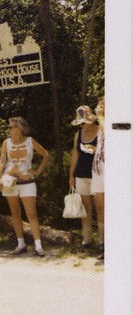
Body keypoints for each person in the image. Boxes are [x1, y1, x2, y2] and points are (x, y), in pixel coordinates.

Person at [0, 117, 50, 257]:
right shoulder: (6, 143)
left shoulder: (30, 141)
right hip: (9, 181)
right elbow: (2, 161)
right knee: (15, 214)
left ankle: (38, 246)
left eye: (11, 127)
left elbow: (46, 155)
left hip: (27, 181)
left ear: (20, 128)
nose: (8, 129)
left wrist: (37, 171)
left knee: (32, 214)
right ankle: (21, 244)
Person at [68, 105, 100, 250]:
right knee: (85, 208)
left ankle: (103, 241)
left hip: (97, 174)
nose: (83, 125)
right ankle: (87, 239)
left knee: (100, 207)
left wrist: (95, 150)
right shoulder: (78, 135)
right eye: (80, 122)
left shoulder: (101, 132)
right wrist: (71, 174)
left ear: (92, 119)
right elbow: (75, 155)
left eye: (84, 121)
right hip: (81, 174)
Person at [92, 97, 105, 261]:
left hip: (111, 169)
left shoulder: (116, 120)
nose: (100, 107)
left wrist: (101, 117)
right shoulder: (101, 125)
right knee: (100, 208)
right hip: (98, 168)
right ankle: (103, 243)